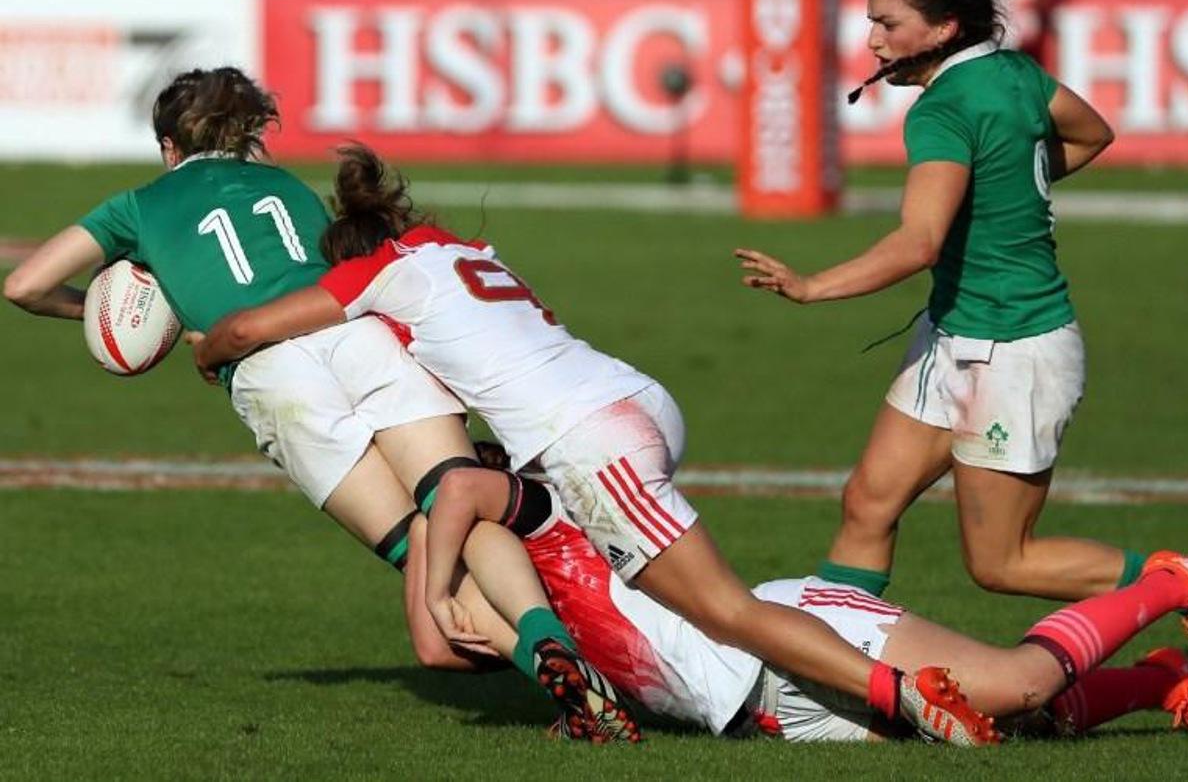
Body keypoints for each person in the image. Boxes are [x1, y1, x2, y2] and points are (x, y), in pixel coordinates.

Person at [192, 146, 998, 747]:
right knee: (599, 558)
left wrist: (206, 351)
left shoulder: (370, 276)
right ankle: (613, 681)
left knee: (725, 610)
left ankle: (901, 693)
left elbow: (247, 329)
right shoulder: (460, 249)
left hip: (587, 438)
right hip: (630, 400)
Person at [1, 66, 639, 742]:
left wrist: (124, 318)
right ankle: (551, 641)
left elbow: (24, 285)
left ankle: (559, 687)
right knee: (456, 500)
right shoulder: (284, 186)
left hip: (272, 376)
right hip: (356, 336)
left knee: (413, 545)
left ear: (167, 147)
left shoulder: (137, 205)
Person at [734, 0, 1188, 652]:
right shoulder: (1015, 74)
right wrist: (1007, 186)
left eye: (889, 23)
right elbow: (1093, 132)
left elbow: (917, 242)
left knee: (1002, 562)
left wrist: (811, 286)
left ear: (945, 28)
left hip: (1014, 350)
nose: (872, 38)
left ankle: (1185, 582)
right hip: (953, 331)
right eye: (871, 20)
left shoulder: (943, 109)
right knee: (869, 502)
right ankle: (837, 669)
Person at [426, 446, 1188, 742]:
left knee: (1015, 683)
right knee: (1020, 722)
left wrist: (428, 573)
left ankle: (1170, 581)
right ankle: (1163, 680)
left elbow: (460, 486)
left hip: (787, 632)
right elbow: (445, 648)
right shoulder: (515, 591)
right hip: (755, 708)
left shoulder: (551, 512)